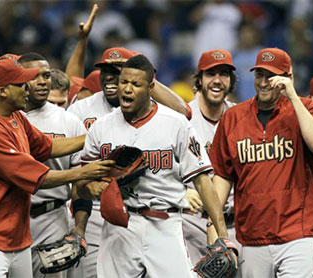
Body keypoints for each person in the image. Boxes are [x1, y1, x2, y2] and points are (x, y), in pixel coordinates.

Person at [77, 54, 232, 278]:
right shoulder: (101, 127)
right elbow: (80, 184)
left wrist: (222, 234)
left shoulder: (175, 124)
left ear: (150, 88)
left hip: (165, 225)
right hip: (119, 227)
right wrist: (91, 187)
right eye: (123, 82)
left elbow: (202, 182)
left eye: (135, 84)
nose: (127, 89)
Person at [0, 58, 114, 278]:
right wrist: (86, 172)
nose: (27, 88)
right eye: (21, 85)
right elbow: (38, 177)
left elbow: (48, 147)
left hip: (17, 234)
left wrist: (94, 137)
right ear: (2, 91)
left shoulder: (15, 116)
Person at [66, 46, 191, 278]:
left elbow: (183, 111)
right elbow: (78, 177)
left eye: (119, 71)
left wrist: (137, 64)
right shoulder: (85, 110)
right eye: (106, 70)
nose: (112, 77)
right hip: (100, 214)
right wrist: (78, 228)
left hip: (156, 215)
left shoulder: (164, 117)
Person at [208, 47, 313, 277]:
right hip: (252, 235)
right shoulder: (233, 117)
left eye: (272, 76)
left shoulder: (306, 108)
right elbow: (222, 175)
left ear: (288, 77)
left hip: (298, 234)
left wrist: (292, 96)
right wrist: (214, 225)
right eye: (260, 75)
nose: (264, 82)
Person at [18, 52, 92, 278]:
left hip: (52, 218)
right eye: (34, 76)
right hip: (9, 217)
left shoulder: (68, 121)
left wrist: (79, 229)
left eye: (46, 75)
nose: (42, 81)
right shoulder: (6, 118)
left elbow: (82, 181)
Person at [183, 49, 240, 265]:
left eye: (223, 74)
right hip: (192, 223)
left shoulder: (240, 117)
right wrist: (181, 192)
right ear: (199, 79)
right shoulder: (182, 118)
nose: (217, 81)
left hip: (236, 224)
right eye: (210, 74)